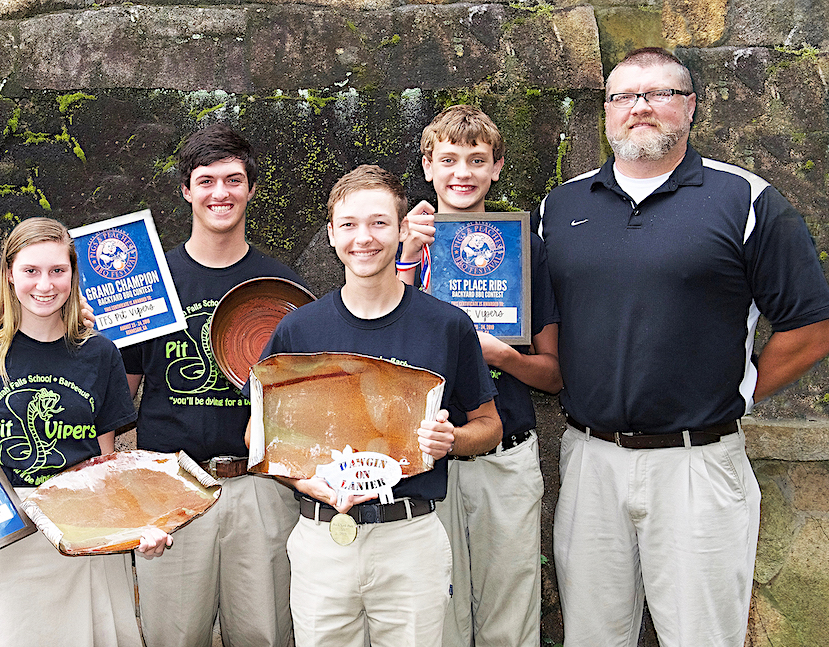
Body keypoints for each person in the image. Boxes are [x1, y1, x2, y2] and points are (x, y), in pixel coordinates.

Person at [537, 47, 829, 646]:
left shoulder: (746, 200)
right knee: (591, 637)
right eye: (623, 96)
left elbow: (812, 325)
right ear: (607, 112)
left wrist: (744, 390)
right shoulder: (559, 208)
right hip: (591, 460)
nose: (640, 107)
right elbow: (527, 312)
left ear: (691, 107)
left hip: (698, 463)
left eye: (659, 93)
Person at [251, 164, 501, 647]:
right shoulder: (298, 330)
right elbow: (258, 435)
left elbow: (488, 425)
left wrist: (452, 440)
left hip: (410, 538)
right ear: (331, 234)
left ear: (402, 229)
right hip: (323, 537)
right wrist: (306, 483)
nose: (363, 238)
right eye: (349, 224)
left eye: (379, 223)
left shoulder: (447, 325)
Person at [0, 217, 170, 646]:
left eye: (58, 270)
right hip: (6, 538)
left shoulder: (99, 353)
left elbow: (105, 465)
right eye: (31, 271)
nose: (45, 284)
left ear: (74, 275)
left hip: (84, 533)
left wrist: (136, 529)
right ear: (9, 273)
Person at [120, 123, 306, 647]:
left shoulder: (282, 288)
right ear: (186, 190)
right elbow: (120, 394)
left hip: (260, 487)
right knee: (171, 637)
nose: (219, 193)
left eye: (232, 180)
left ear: (251, 188)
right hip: (171, 485)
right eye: (206, 181)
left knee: (265, 634)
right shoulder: (147, 283)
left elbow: (302, 401)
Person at [397, 105, 561, 647]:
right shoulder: (401, 248)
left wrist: (501, 355)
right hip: (426, 458)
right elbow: (383, 346)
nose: (462, 172)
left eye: (476, 159)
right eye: (448, 159)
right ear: (427, 166)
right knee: (435, 617)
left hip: (505, 456)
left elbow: (554, 375)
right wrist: (405, 257)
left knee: (509, 615)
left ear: (497, 167)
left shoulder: (525, 249)